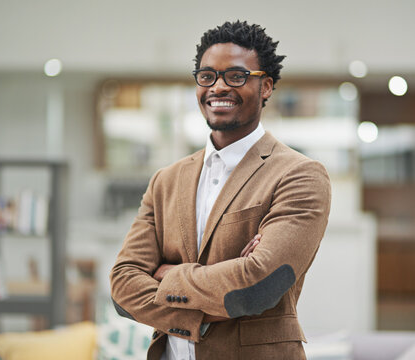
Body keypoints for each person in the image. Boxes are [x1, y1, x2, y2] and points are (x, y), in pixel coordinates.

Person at [110, 20, 331, 360]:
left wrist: (167, 276)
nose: (218, 87)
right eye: (207, 76)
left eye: (236, 76)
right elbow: (123, 284)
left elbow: (257, 285)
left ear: (266, 86)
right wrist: (207, 303)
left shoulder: (299, 175)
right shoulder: (165, 181)